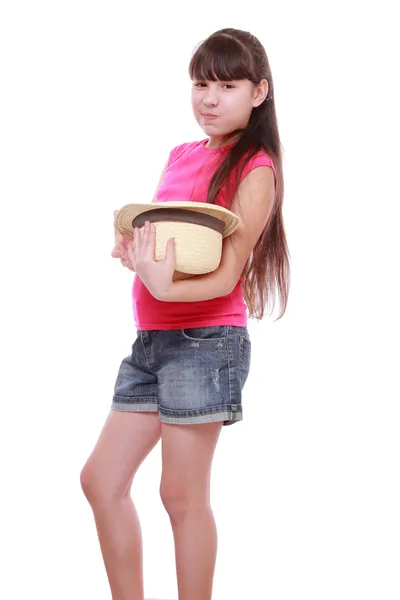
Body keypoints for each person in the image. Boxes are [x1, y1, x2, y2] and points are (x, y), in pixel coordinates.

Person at [80, 27, 290, 600]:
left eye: (227, 84)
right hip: (150, 343)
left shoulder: (256, 169)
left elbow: (225, 274)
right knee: (101, 481)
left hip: (207, 343)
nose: (209, 98)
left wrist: (159, 284)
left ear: (259, 91)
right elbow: (177, 251)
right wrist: (137, 256)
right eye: (201, 83)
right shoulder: (181, 155)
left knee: (180, 496)